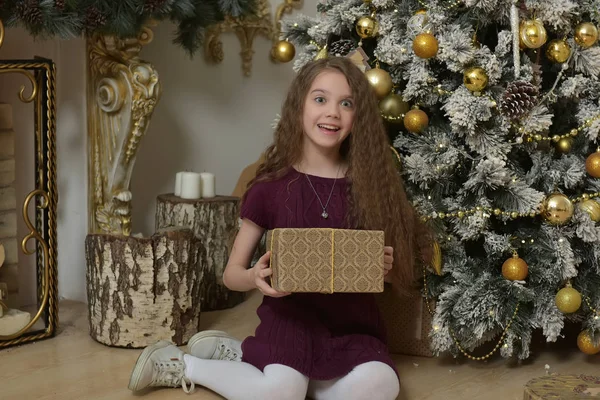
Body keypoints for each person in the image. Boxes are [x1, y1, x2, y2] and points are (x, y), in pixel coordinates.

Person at [128, 56, 432, 400]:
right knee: (281, 392)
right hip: (291, 323)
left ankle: (249, 361)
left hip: (353, 327)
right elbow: (232, 275)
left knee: (383, 384)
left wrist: (386, 271)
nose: (332, 112)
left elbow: (391, 275)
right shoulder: (270, 186)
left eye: (346, 103)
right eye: (320, 99)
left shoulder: (372, 187)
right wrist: (255, 277)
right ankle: (186, 364)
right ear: (298, 107)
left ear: (357, 115)